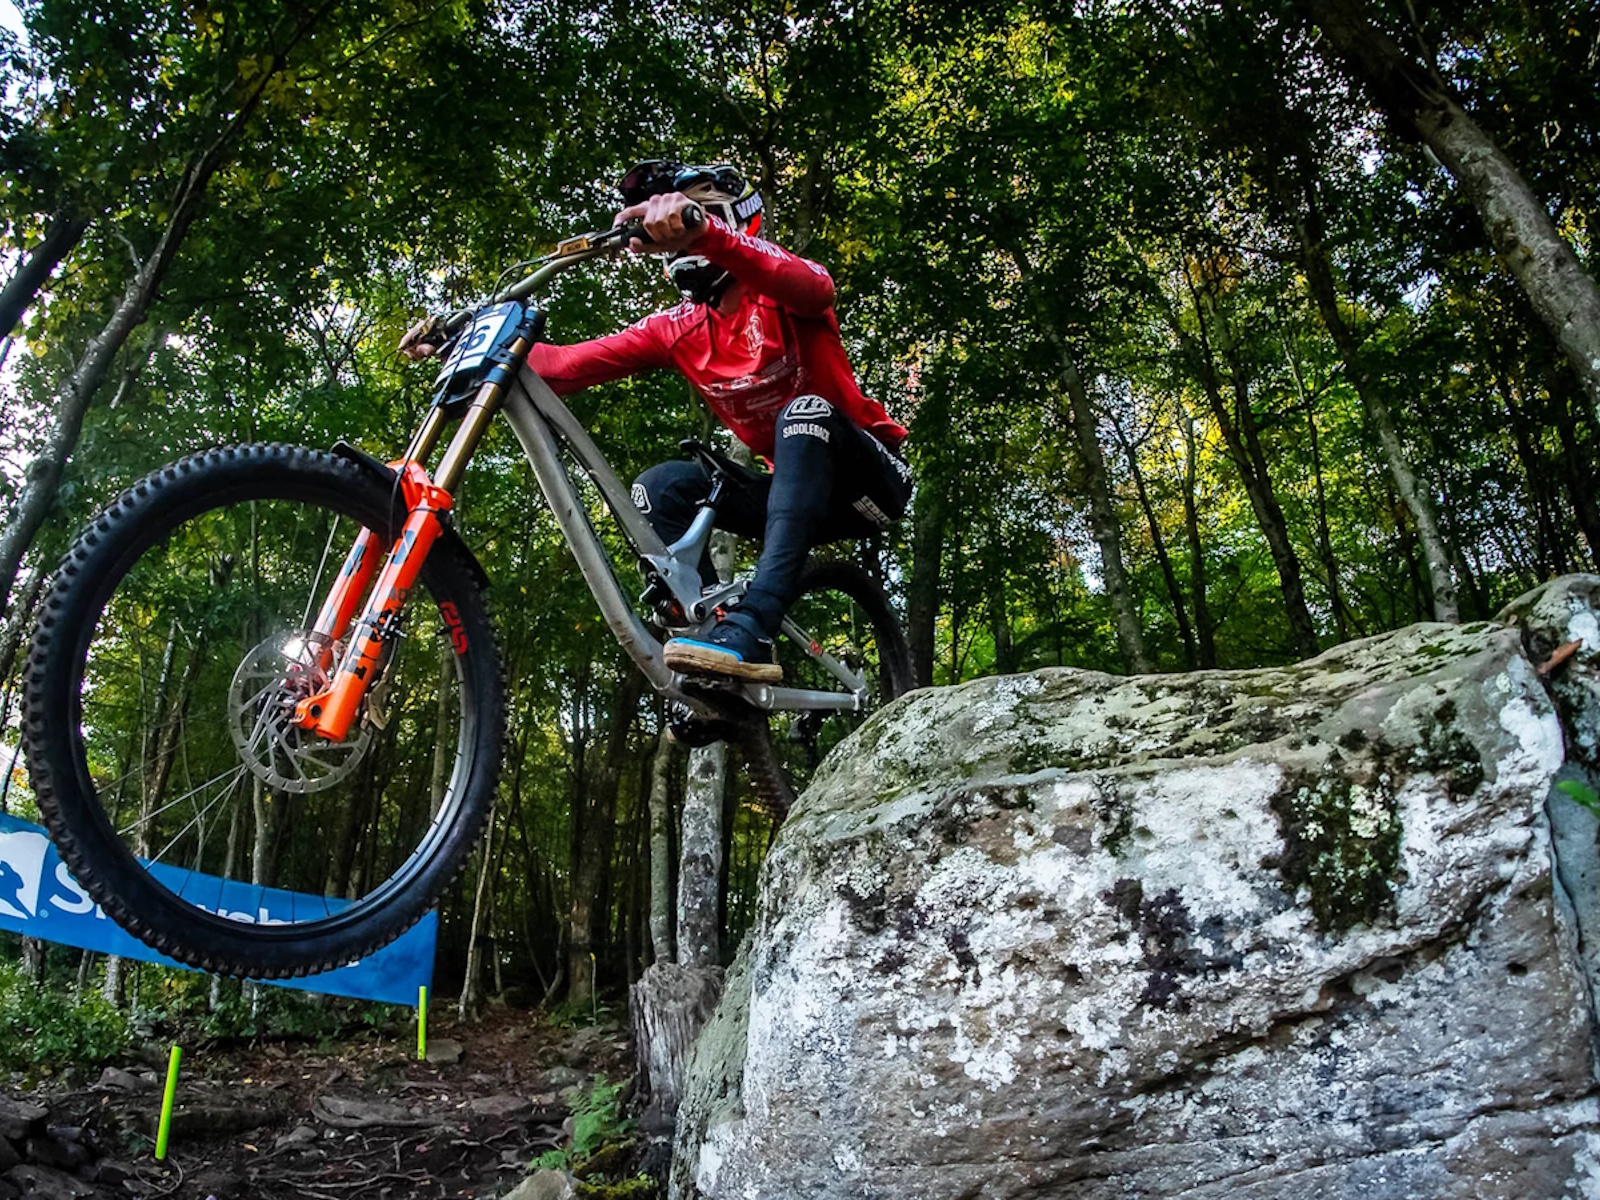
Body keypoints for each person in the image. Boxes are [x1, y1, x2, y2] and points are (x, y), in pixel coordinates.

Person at [406, 160, 911, 683]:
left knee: (803, 414)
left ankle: (753, 626)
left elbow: (815, 287)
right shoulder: (678, 328)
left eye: (696, 212)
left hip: (868, 483)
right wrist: (463, 343)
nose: (678, 234)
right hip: (788, 493)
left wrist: (706, 231)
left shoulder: (780, 294)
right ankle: (716, 643)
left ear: (736, 221)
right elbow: (561, 366)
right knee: (659, 488)